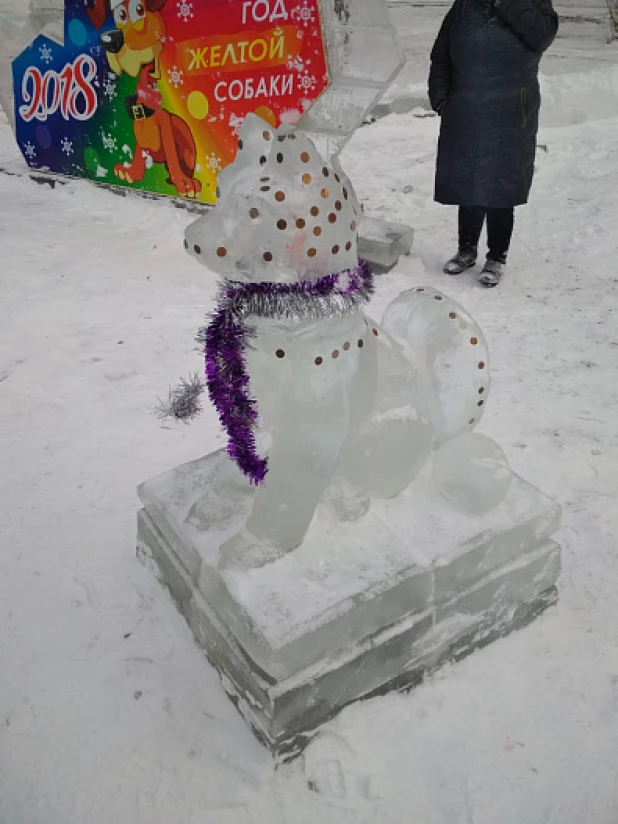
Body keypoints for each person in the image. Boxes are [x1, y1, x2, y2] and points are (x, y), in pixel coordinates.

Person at [428, 0, 558, 286]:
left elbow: (542, 35)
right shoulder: (464, 5)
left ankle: (497, 256)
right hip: (466, 106)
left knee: (501, 180)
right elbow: (441, 53)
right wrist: (440, 95)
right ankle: (466, 250)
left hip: (511, 108)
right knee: (468, 176)